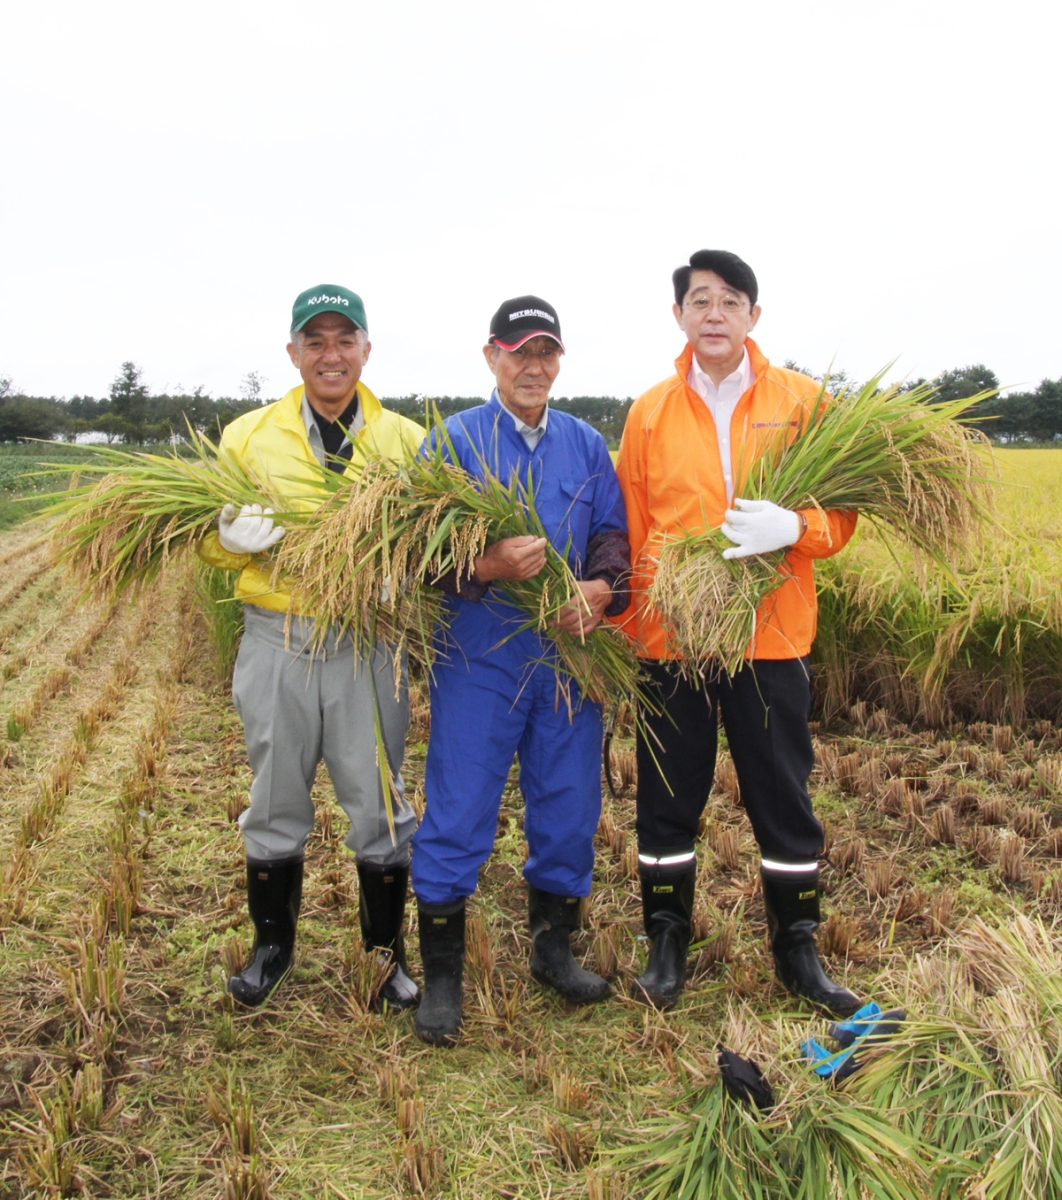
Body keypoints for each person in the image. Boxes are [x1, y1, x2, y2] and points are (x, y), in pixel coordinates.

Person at [615, 250, 860, 1015]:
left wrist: (797, 526)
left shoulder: (804, 402)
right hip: (673, 641)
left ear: (755, 315)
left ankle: (798, 949)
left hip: (771, 636)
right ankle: (666, 940)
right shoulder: (649, 411)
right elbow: (629, 529)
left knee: (781, 795)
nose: (713, 313)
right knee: (666, 798)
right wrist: (630, 631)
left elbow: (844, 512)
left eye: (730, 300)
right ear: (680, 317)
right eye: (699, 300)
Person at [410, 295, 630, 1046]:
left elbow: (610, 534)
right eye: (519, 352)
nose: (533, 366)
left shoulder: (586, 446)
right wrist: (484, 564)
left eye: (546, 353)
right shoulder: (452, 443)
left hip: (569, 658)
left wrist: (601, 591)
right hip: (480, 655)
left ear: (559, 361)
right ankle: (441, 977)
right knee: (460, 806)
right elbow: (412, 554)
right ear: (491, 358)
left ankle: (553, 950)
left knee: (569, 806)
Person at [198, 284, 425, 1010]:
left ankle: (385, 959)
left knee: (379, 804)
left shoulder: (406, 443)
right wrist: (227, 541)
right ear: (293, 352)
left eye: (344, 339)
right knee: (274, 797)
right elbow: (201, 540)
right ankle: (272, 950)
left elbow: (441, 538)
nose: (331, 355)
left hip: (367, 643)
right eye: (315, 341)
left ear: (366, 349)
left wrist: (403, 569)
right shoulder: (247, 437)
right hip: (278, 640)